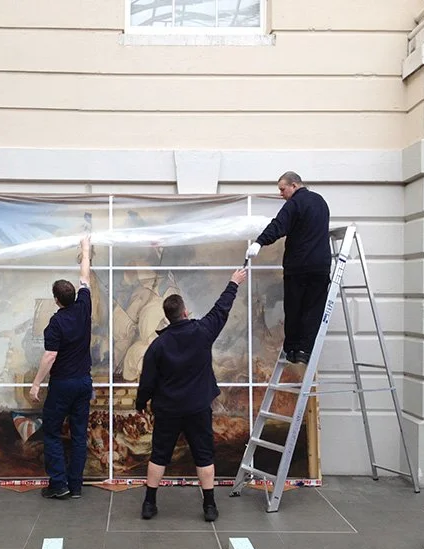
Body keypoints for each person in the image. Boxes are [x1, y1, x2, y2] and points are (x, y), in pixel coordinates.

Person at [135, 268, 248, 522]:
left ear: (167, 317)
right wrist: (233, 282)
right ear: (185, 312)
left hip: (168, 410)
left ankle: (149, 504)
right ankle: (209, 506)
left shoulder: (158, 345)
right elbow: (222, 309)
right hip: (197, 408)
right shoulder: (202, 331)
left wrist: (141, 403)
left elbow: (147, 381)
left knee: (159, 455)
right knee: (204, 455)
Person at [30, 236, 93, 500]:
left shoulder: (54, 324)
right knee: (79, 434)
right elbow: (85, 277)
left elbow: (49, 357)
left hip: (63, 384)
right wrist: (85, 250)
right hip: (84, 382)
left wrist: (36, 383)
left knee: (53, 432)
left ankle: (59, 484)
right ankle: (76, 486)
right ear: (73, 296)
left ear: (56, 299)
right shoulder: (84, 307)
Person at [246, 171, 330, 365]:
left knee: (294, 308)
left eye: (282, 189)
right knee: (313, 308)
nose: (281, 194)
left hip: (298, 267)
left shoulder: (294, 204)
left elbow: (279, 225)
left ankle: (292, 350)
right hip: (320, 266)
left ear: (294, 185)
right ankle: (305, 351)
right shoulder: (321, 202)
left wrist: (259, 243)